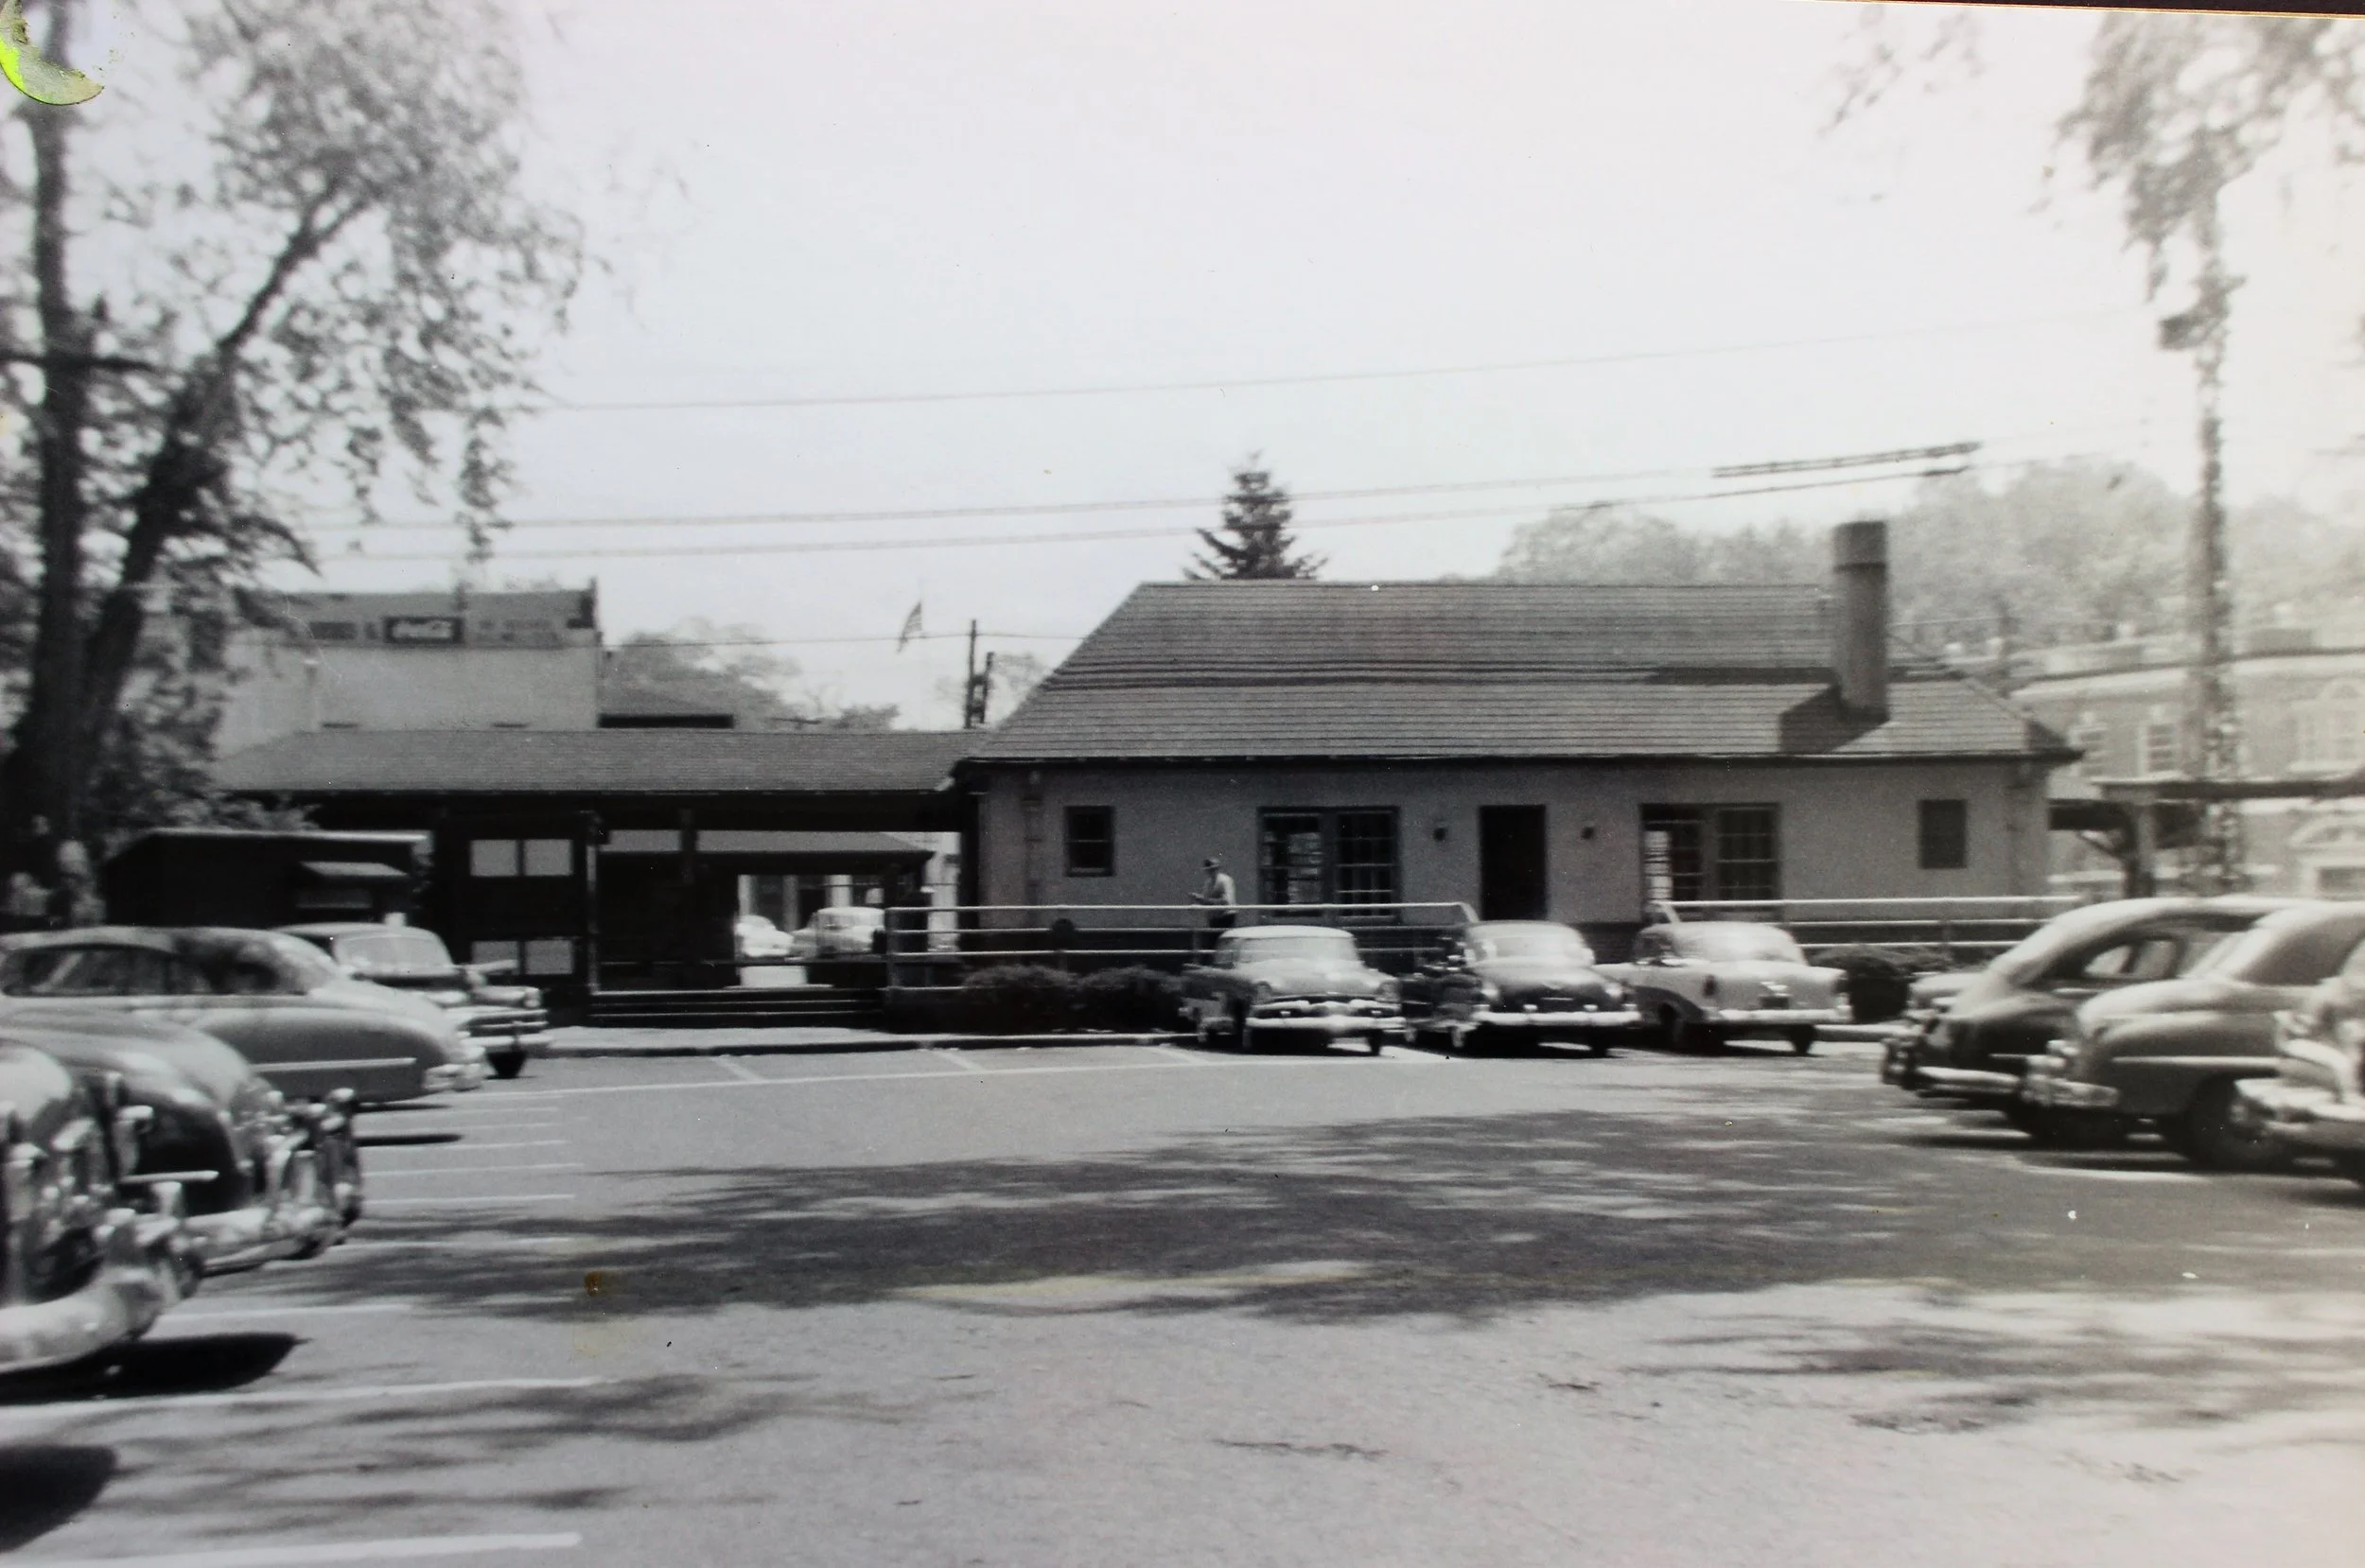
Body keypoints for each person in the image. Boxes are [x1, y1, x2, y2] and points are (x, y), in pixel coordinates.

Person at [1191, 856, 1238, 956]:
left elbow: (1227, 901)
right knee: (1213, 944)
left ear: (1218, 869)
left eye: (1213, 869)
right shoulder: (1208, 882)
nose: (1211, 872)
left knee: (1225, 941)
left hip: (1226, 916)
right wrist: (1199, 899)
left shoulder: (1225, 880)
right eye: (1209, 870)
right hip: (1214, 917)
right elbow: (1206, 900)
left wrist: (1207, 900)